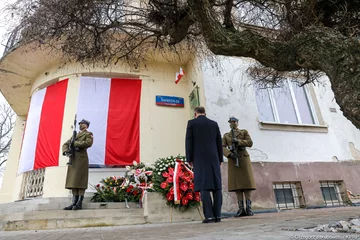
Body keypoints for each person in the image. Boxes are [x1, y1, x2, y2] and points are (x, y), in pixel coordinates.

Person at [185, 106, 223, 223]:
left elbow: (189, 141)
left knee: (204, 186)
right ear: (204, 113)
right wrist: (220, 158)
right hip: (214, 157)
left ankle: (209, 216)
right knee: (217, 187)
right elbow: (219, 142)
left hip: (199, 158)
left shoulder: (192, 123)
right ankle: (218, 215)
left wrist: (189, 158)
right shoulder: (214, 124)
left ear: (195, 113)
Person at [222, 116, 256, 217]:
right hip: (233, 159)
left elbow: (250, 143)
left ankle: (249, 208)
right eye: (231, 122)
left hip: (243, 158)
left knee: (247, 184)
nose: (232, 123)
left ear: (237, 122)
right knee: (237, 186)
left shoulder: (244, 132)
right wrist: (229, 154)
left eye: (234, 121)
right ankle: (241, 209)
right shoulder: (226, 135)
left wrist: (238, 141)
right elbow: (222, 147)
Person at [62, 119, 93, 210]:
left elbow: (88, 143)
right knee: (73, 181)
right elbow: (66, 144)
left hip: (81, 159)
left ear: (86, 125)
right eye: (80, 124)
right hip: (73, 159)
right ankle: (74, 202)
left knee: (80, 180)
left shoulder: (88, 134)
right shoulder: (75, 135)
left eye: (82, 124)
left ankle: (79, 203)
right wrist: (66, 151)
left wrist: (75, 143)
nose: (80, 125)